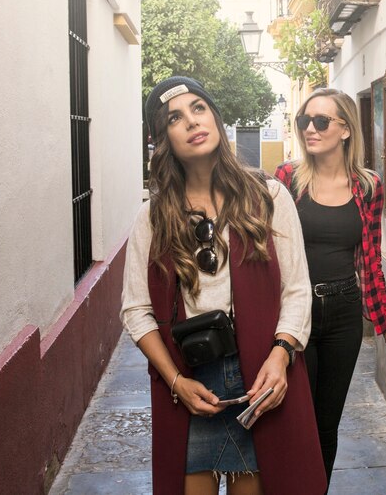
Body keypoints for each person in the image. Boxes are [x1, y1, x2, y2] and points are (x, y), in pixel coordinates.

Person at [121, 76, 326, 495]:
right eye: (175, 118)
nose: (192, 121)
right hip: (192, 380)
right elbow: (135, 310)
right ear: (163, 139)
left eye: (199, 107)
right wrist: (176, 382)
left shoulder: (269, 197)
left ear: (214, 115)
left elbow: (297, 291)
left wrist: (281, 354)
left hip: (259, 375)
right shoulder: (154, 217)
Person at [274, 88, 386, 489]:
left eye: (321, 121)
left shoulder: (368, 187)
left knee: (326, 423)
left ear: (346, 130)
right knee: (293, 419)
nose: (310, 129)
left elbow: (370, 259)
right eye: (305, 120)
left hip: (343, 314)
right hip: (294, 315)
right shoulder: (287, 180)